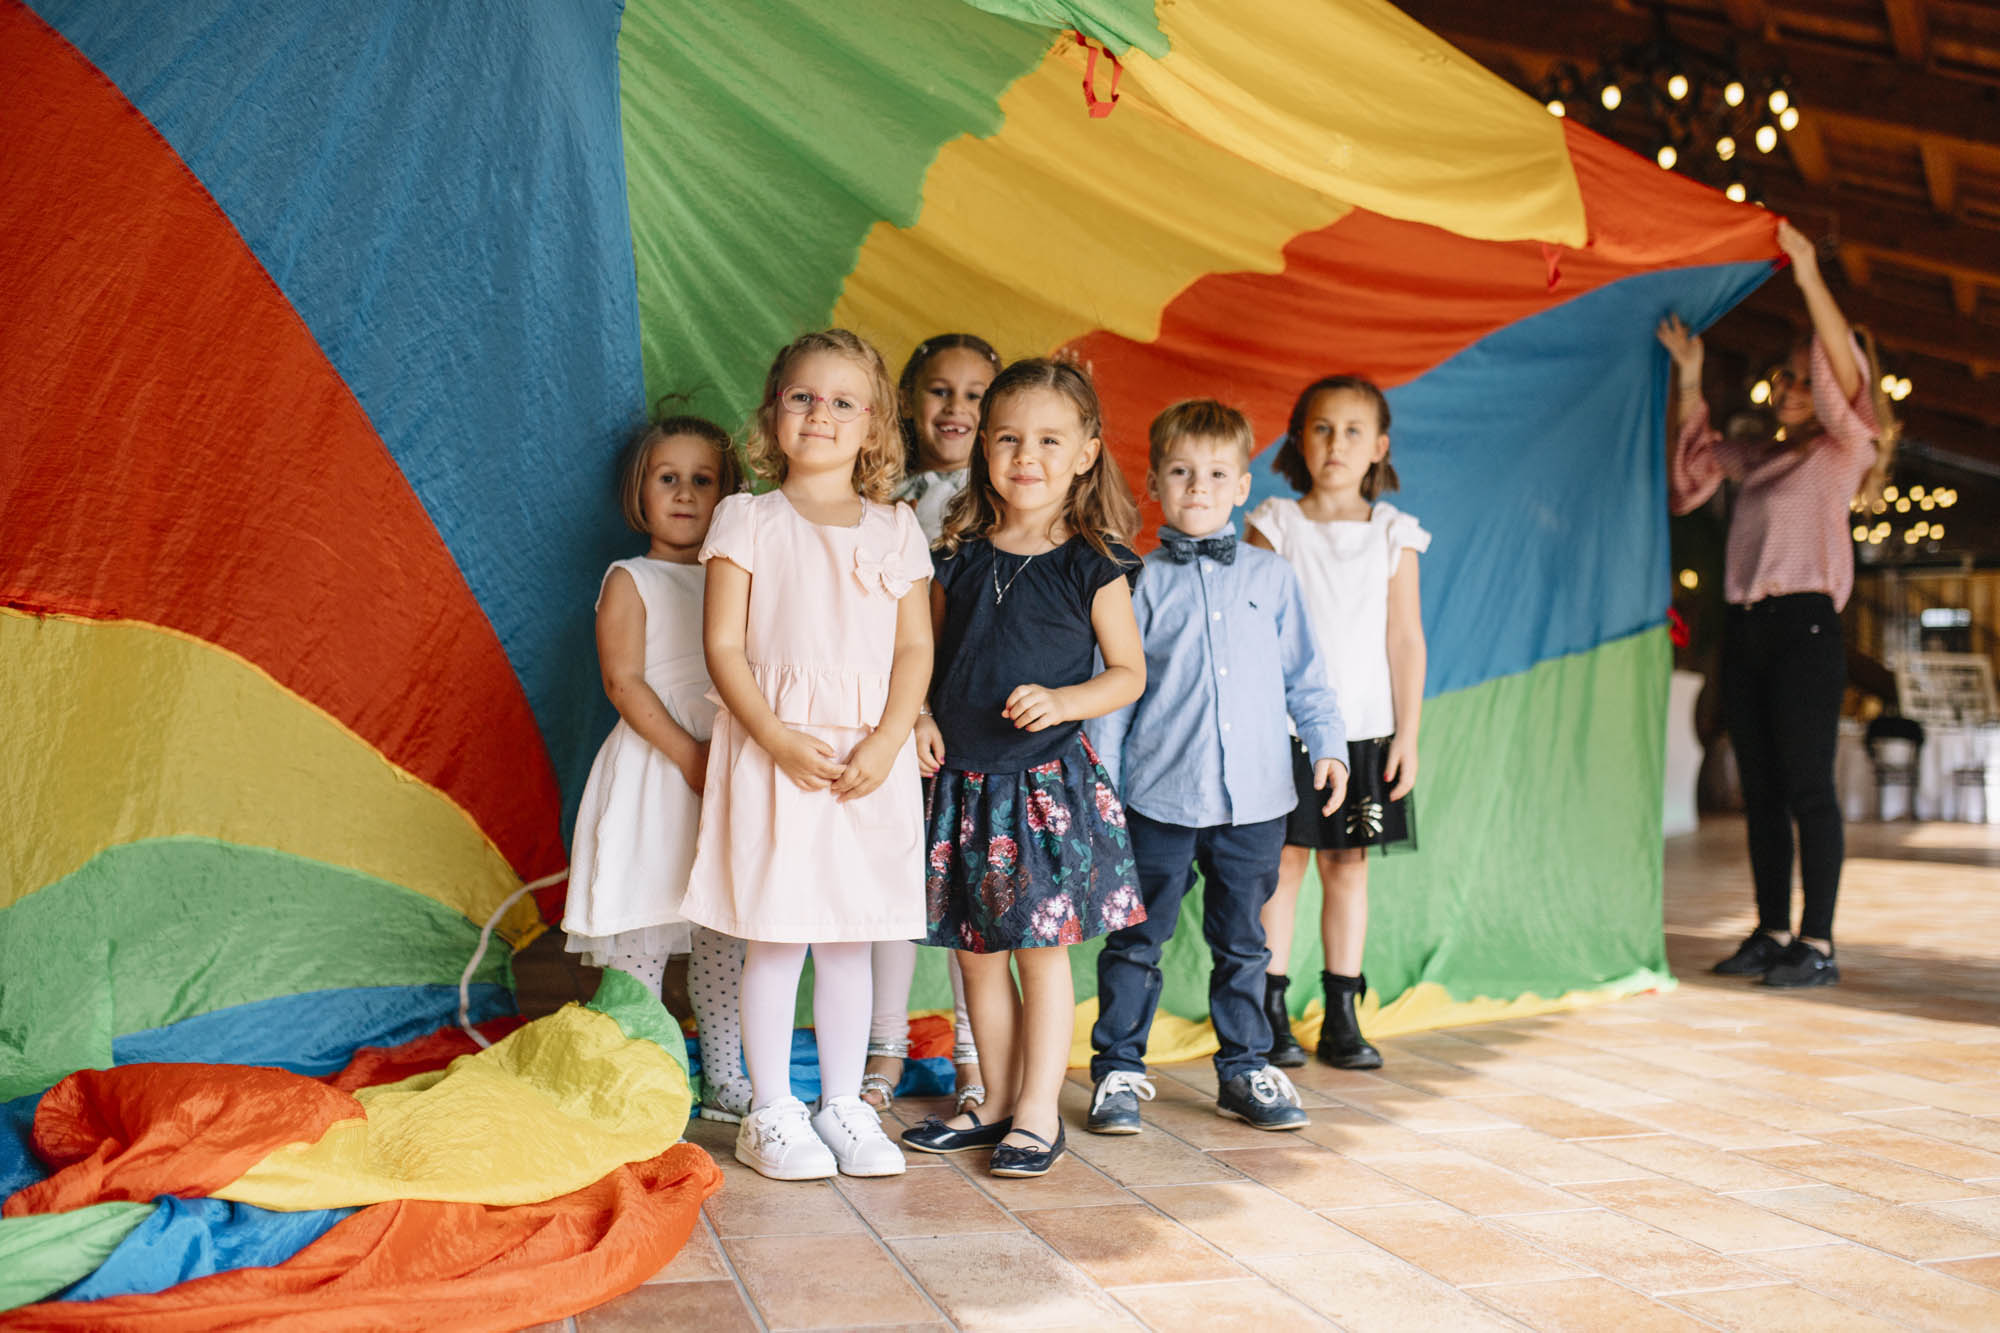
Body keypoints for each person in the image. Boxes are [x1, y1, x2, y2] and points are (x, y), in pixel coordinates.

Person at [681, 330, 935, 1180]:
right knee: (778, 936)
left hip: (868, 756)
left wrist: (892, 737)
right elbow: (723, 646)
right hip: (775, 745)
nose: (819, 412)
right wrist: (775, 735)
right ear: (772, 414)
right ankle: (773, 1111)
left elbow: (913, 652)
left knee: (851, 939)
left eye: (842, 400)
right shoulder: (747, 517)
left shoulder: (898, 527)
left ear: (874, 427)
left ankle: (841, 1102)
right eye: (801, 396)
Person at [899, 357, 1146, 1178]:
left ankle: (1040, 1108)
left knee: (1040, 953)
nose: (1024, 455)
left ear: (1085, 452)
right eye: (1007, 438)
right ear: (982, 451)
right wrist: (924, 715)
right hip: (963, 785)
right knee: (974, 954)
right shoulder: (958, 555)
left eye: (1047, 438)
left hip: (1042, 790)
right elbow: (922, 659)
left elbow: (1128, 672)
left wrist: (1067, 701)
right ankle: (996, 1099)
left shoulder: (1092, 561)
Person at [1086, 399, 1349, 1135]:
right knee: (1138, 939)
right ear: (1154, 484)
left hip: (1258, 801)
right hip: (1159, 798)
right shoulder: (1133, 583)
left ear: (1242, 485)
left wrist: (1327, 745)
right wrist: (1105, 787)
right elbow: (1116, 694)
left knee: (1246, 942)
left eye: (1215, 474)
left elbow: (1306, 677)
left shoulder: (1273, 576)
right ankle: (1119, 1071)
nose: (1197, 488)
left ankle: (1245, 1068)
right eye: (1180, 473)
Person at [1658, 219, 1898, 989]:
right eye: (1787, 378)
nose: (1794, 389)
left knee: (1806, 785)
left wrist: (1806, 274)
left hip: (1805, 627)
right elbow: (1687, 477)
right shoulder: (1759, 453)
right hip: (1748, 627)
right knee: (1758, 785)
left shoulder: (1843, 450)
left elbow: (1847, 385)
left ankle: (1817, 943)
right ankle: (1769, 930)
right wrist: (1691, 376)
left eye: (1807, 377)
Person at [563, 417, 753, 1121]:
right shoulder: (631, 578)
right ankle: (636, 1080)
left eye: (703, 480)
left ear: (728, 493)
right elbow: (625, 681)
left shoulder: (733, 580)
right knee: (642, 930)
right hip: (658, 769)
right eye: (666, 477)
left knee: (722, 939)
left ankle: (727, 1076)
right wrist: (688, 755)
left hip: (723, 773)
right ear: (638, 492)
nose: (684, 493)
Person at [1248, 375, 1429, 1071]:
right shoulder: (1275, 523)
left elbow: (1406, 638)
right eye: (1322, 428)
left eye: (1354, 430)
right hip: (1288, 731)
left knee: (1348, 866)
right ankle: (1269, 1008)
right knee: (1284, 865)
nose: (1336, 443)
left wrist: (1407, 733)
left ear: (1379, 446)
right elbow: (1253, 629)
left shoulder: (1394, 533)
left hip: (1366, 732)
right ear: (1299, 440)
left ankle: (1343, 1012)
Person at [865, 333, 1003, 1116]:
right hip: (895, 714)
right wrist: (907, 711)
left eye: (976, 394)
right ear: (911, 401)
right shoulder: (888, 498)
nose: (956, 409)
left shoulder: (1004, 497)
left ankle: (973, 1051)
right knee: (892, 883)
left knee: (969, 890)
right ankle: (885, 1042)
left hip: (975, 720)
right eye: (940, 391)